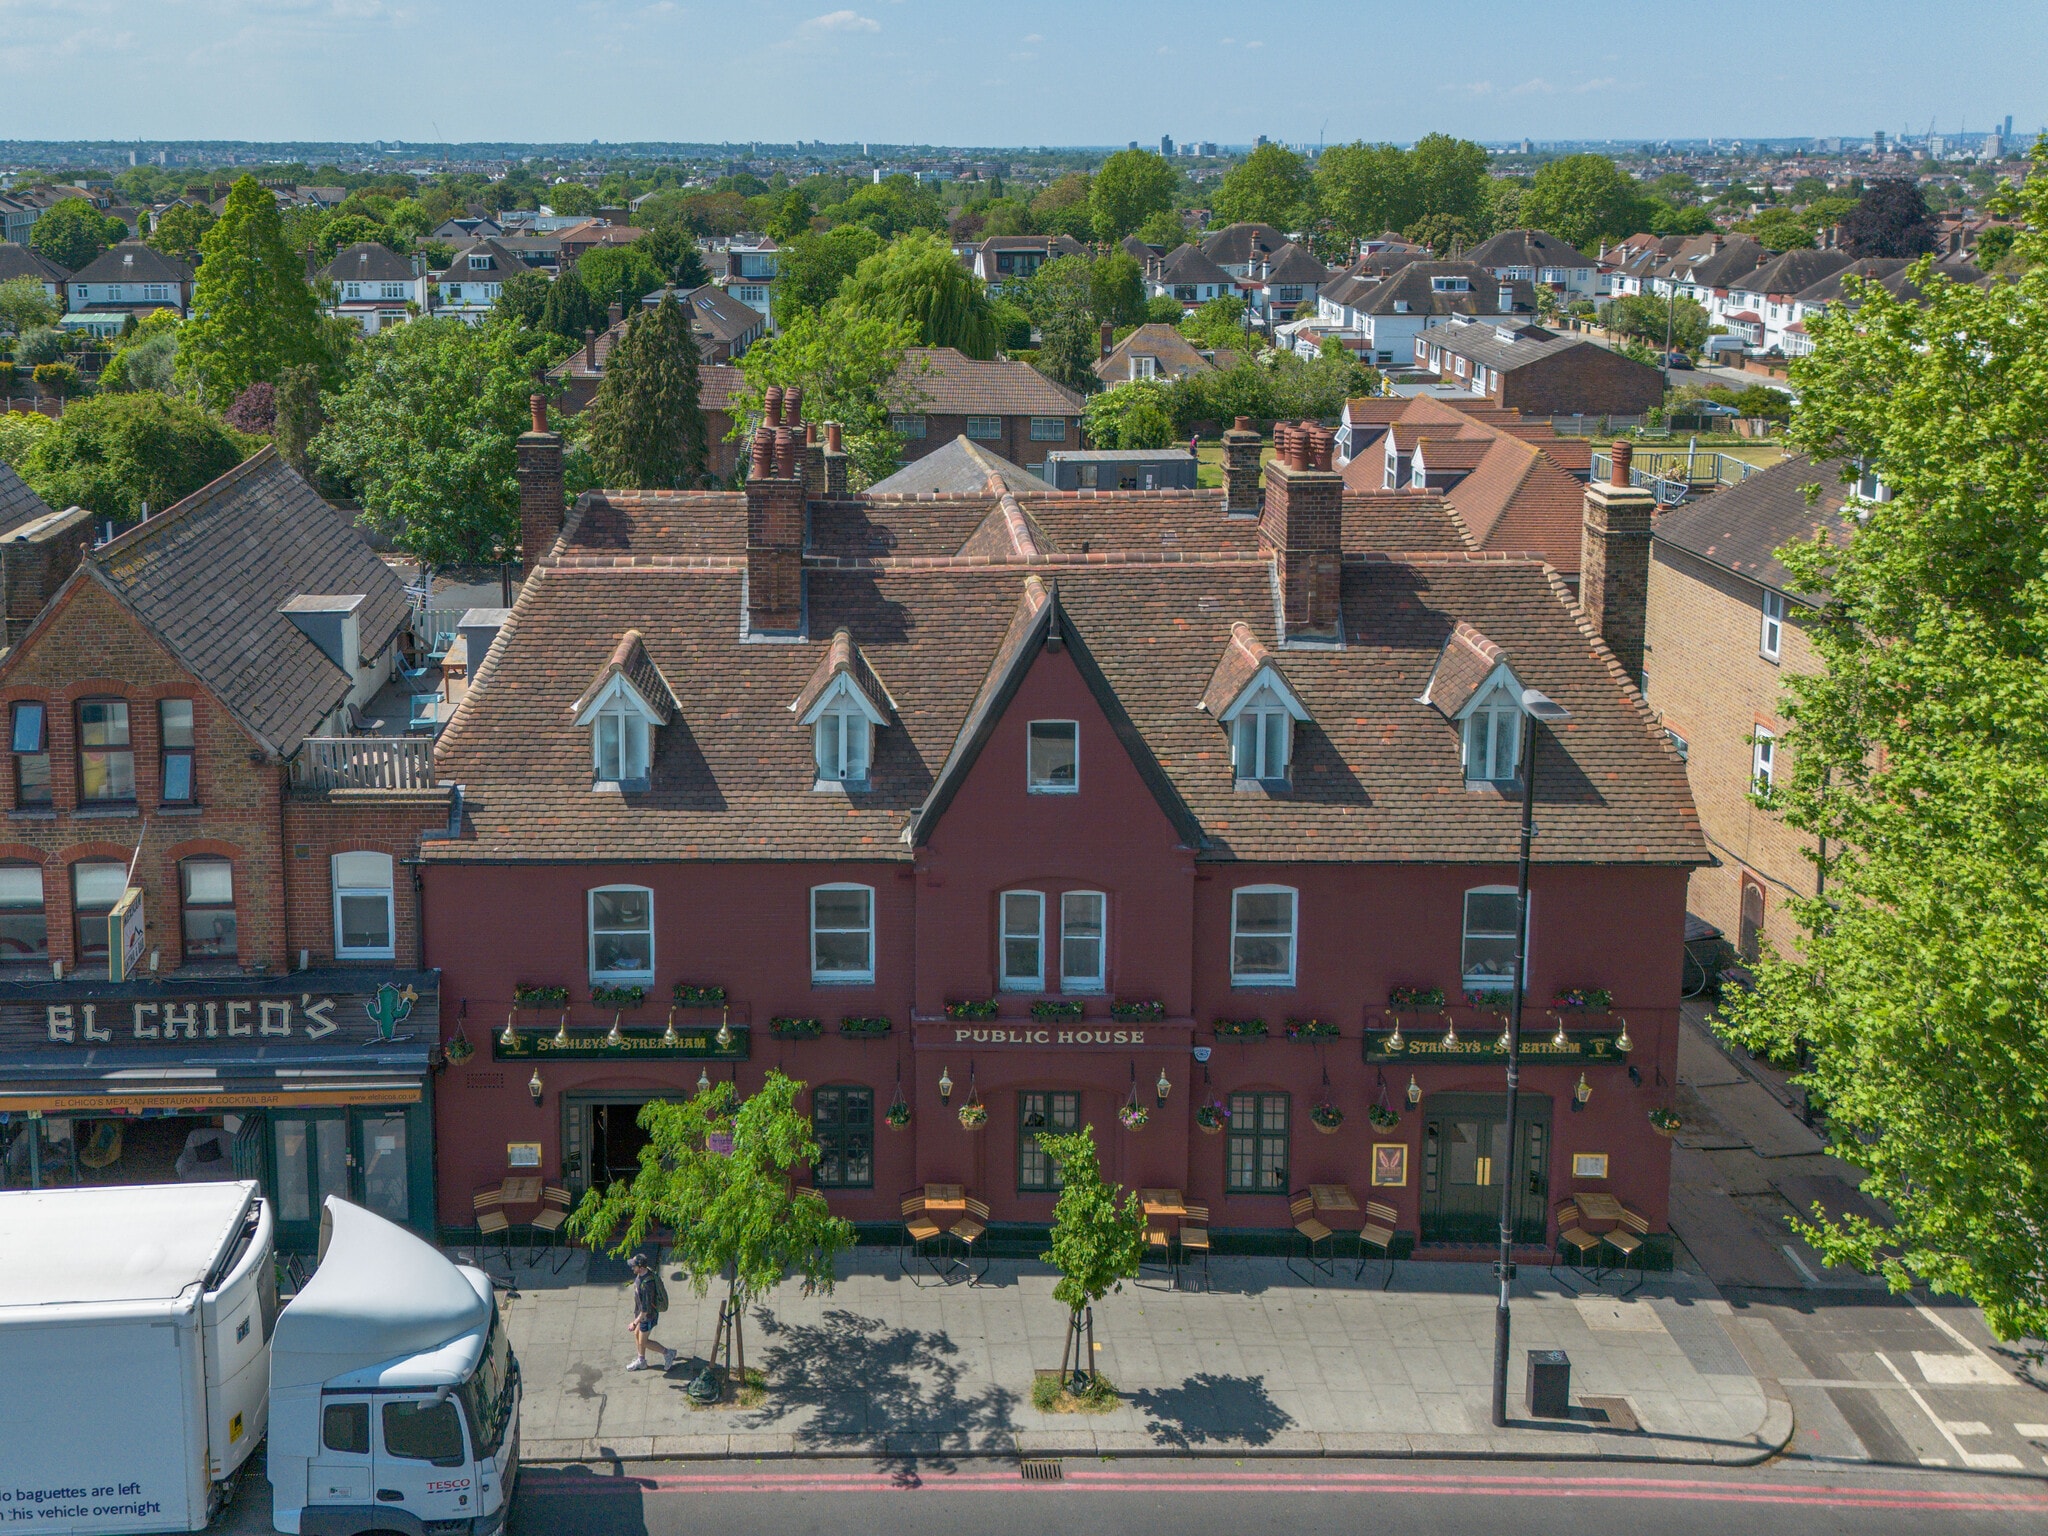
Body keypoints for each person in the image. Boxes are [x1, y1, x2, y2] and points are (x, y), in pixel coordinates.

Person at [625, 1252, 676, 1372]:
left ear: (641, 1268)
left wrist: (634, 1322)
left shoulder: (647, 1285)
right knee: (637, 1335)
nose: (632, 1267)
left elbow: (646, 1309)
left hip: (647, 1317)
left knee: (644, 1342)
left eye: (634, 1266)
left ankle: (668, 1353)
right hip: (640, 1314)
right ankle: (641, 1361)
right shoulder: (643, 1274)